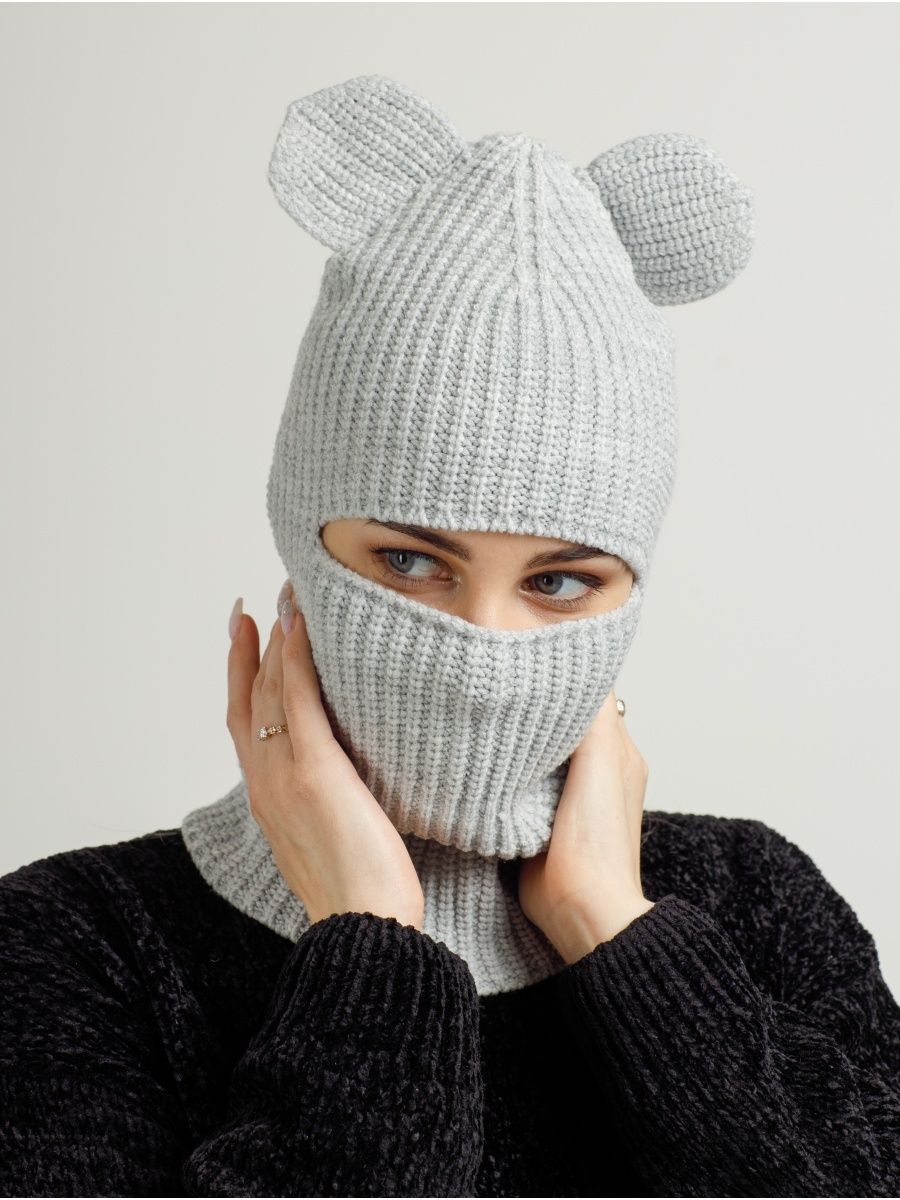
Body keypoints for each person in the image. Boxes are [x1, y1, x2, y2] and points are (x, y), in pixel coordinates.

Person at [1, 72, 898, 1199]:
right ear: (301, 537)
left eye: (560, 581)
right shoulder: (73, 945)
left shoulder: (754, 902)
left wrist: (616, 933)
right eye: (411, 563)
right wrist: (371, 946)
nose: (481, 649)